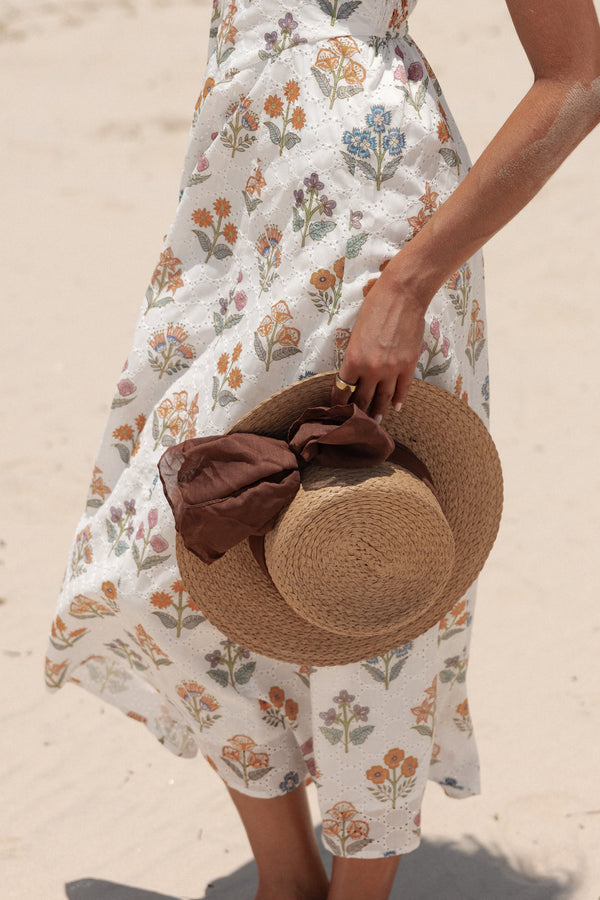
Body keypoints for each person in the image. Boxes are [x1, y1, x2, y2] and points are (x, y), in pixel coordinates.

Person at [46, 1, 600, 898]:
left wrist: (409, 283)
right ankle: (289, 880)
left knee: (369, 567)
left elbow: (578, 76)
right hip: (235, 218)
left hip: (369, 217)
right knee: (174, 549)